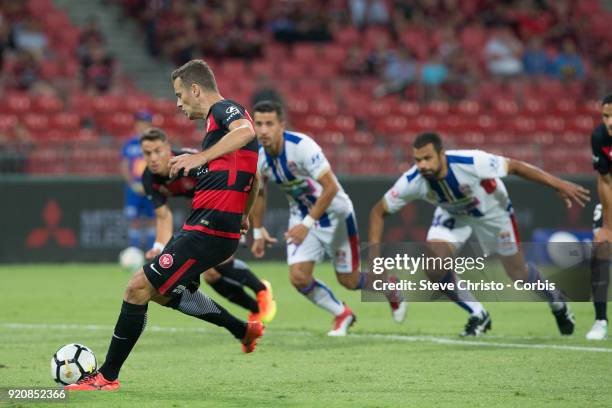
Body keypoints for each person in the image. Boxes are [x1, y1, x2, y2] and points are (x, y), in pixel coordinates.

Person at [67, 59, 263, 391]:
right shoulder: (214, 135)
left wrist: (201, 158)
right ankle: (242, 329)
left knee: (136, 289)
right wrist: (243, 214)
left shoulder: (223, 111)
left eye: (179, 94)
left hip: (208, 228)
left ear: (195, 89)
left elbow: (247, 131)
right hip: (207, 227)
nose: (177, 103)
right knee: (162, 293)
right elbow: (254, 177)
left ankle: (106, 377)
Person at [369, 132, 590, 336]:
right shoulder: (412, 181)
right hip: (453, 214)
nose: (422, 165)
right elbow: (378, 212)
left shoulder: (471, 161)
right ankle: (478, 314)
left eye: (427, 158)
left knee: (517, 272)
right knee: (434, 267)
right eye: (417, 160)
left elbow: (515, 167)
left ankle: (557, 301)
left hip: (493, 213)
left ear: (442, 154)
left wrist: (558, 184)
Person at [250, 100, 406, 337]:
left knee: (349, 281)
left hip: (335, 216)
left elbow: (330, 188)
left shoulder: (302, 147)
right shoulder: (260, 158)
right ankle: (342, 313)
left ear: (281, 125)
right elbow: (259, 192)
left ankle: (390, 287)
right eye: (258, 124)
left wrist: (307, 224)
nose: (263, 130)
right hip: (302, 216)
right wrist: (258, 230)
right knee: (299, 277)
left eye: (269, 124)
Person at [139, 127, 276, 323]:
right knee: (211, 274)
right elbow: (163, 215)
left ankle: (262, 291)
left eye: (157, 151)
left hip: (223, 199)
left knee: (219, 260)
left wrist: (241, 213)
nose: (153, 158)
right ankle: (255, 309)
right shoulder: (149, 178)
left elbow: (231, 174)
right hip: (201, 209)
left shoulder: (189, 162)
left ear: (168, 149)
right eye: (147, 153)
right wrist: (158, 247)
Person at [587, 93, 612, 340]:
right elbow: (604, 180)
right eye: (606, 116)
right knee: (600, 251)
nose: (610, 121)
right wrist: (608, 222)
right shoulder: (599, 137)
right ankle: (600, 320)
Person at [120, 110, 155, 251]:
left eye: (145, 123)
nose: (142, 126)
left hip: (151, 188)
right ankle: (134, 253)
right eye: (140, 123)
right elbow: (124, 165)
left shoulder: (155, 143)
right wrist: (133, 184)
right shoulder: (130, 143)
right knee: (134, 221)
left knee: (153, 219)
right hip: (134, 189)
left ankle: (153, 254)